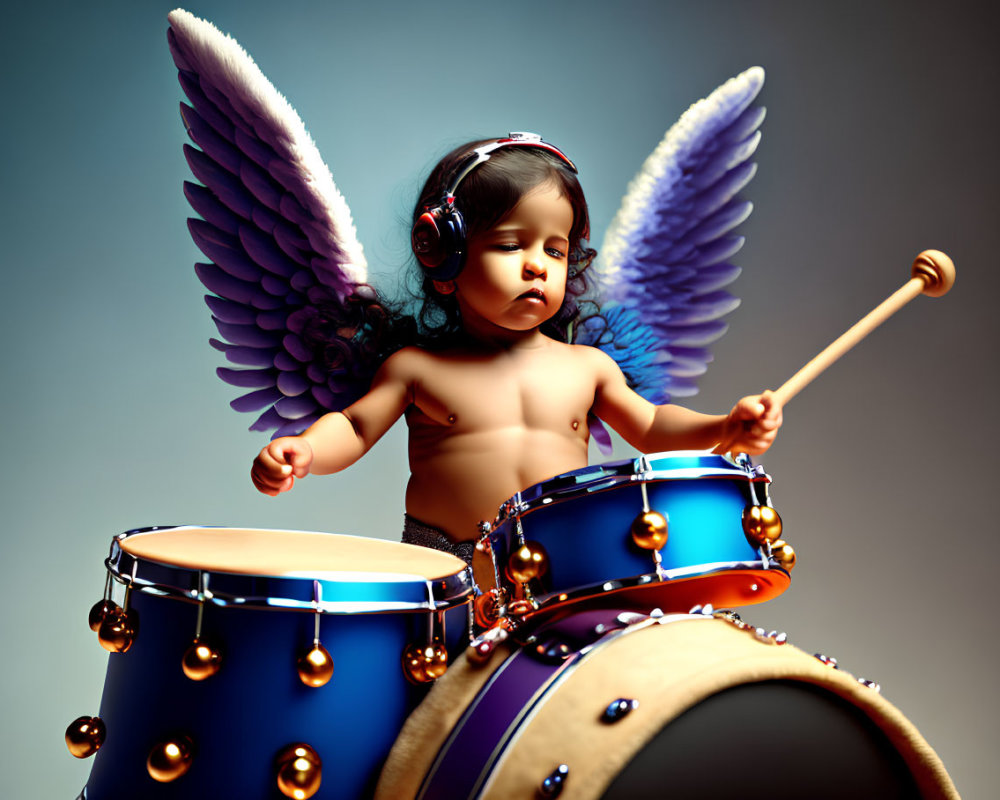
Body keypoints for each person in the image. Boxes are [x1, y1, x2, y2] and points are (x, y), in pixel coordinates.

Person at [250, 135, 782, 589]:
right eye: (510, 244)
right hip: (446, 569)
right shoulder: (418, 368)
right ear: (444, 259)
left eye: (555, 250)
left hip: (567, 567)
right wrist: (306, 450)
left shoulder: (586, 367)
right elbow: (354, 427)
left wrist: (723, 426)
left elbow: (651, 424)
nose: (537, 266)